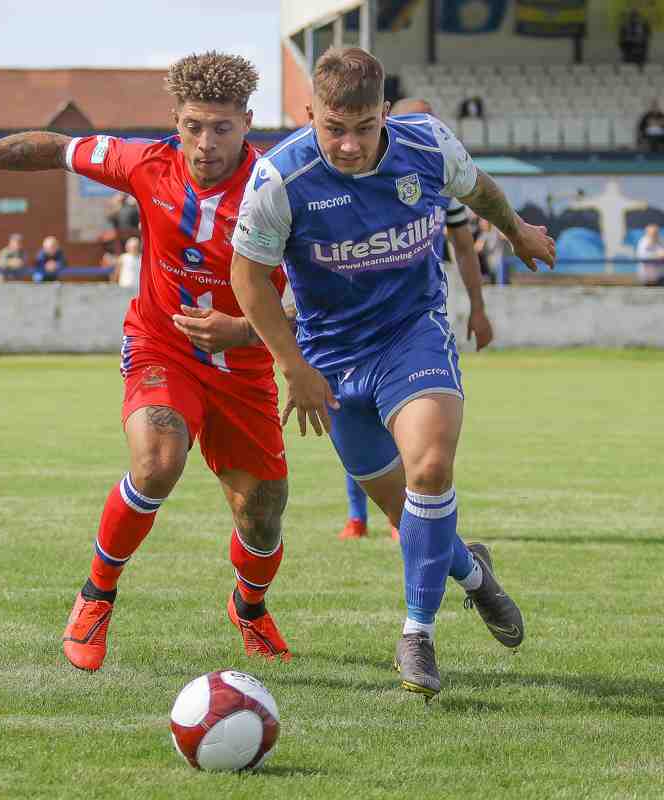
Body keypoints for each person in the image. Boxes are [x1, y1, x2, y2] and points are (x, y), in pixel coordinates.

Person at [0, 51, 293, 670]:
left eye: (222, 128)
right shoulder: (146, 163)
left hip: (244, 369)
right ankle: (96, 595)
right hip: (162, 347)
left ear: (247, 123)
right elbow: (54, 148)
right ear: (176, 120)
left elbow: (316, 304)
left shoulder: (278, 189)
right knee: (158, 461)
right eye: (193, 126)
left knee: (263, 515)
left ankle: (248, 607)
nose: (205, 143)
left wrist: (243, 329)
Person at [231, 47, 555, 699]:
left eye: (364, 127)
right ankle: (473, 575)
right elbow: (247, 278)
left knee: (429, 471)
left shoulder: (427, 143)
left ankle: (418, 634)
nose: (349, 145)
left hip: (414, 336)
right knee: (410, 519)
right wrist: (292, 366)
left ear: (384, 112)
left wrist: (517, 231)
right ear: (309, 114)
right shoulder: (278, 178)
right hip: (331, 362)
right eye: (333, 128)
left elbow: (479, 190)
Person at [335, 96, 494, 544]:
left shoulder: (437, 180)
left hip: (413, 324)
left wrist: (478, 308)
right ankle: (358, 516)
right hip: (355, 328)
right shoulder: (349, 182)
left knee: (418, 433)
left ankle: (401, 513)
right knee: (358, 418)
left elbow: (464, 246)